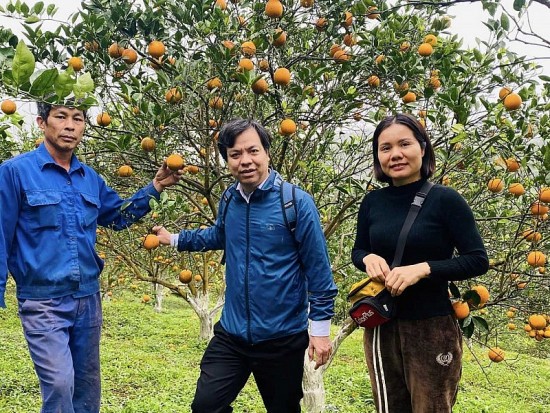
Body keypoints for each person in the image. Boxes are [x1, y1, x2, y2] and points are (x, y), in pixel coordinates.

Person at [0, 102, 183, 413]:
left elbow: (117, 216)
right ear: (42, 123)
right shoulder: (14, 173)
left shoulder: (90, 178)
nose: (70, 125)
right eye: (61, 117)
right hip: (43, 301)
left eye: (78, 118)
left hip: (88, 299)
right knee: (59, 384)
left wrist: (155, 187)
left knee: (86, 388)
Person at [153, 118, 338, 413]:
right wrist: (174, 239)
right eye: (235, 154)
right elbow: (219, 235)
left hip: (282, 338)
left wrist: (319, 330)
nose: (245, 161)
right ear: (227, 160)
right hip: (232, 334)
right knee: (205, 406)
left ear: (267, 152)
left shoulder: (295, 203)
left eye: (252, 151)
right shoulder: (230, 198)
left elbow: (319, 272)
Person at [351, 113, 489, 413]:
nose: (395, 154)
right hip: (381, 325)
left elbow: (477, 260)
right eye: (385, 148)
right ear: (378, 156)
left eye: (404, 144)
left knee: (433, 407)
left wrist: (424, 268)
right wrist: (368, 258)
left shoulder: (446, 200)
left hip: (432, 327)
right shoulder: (373, 202)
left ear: (422, 148)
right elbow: (358, 250)